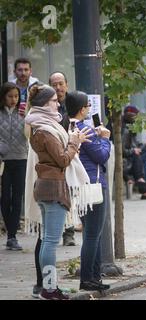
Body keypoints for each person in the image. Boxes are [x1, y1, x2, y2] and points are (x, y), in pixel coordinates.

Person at [24, 84, 93, 299]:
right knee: (51, 242)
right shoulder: (45, 129)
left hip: (46, 186)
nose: (58, 103)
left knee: (47, 240)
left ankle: (49, 287)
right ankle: (49, 288)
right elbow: (62, 159)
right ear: (44, 104)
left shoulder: (41, 125)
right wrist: (74, 142)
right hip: (53, 188)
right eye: (54, 100)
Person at [65, 91, 111, 291]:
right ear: (83, 109)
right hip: (93, 184)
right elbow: (102, 156)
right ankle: (87, 278)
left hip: (77, 185)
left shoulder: (66, 127)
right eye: (87, 107)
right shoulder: (86, 130)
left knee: (92, 233)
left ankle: (94, 277)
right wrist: (106, 139)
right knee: (93, 234)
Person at [49, 71, 77, 246]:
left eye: (61, 84)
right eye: (54, 84)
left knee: (70, 194)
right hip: (52, 154)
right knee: (54, 195)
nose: (58, 88)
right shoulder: (47, 105)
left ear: (66, 84)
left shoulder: (73, 103)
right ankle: (55, 231)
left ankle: (69, 233)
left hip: (70, 153)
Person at [0, 82, 27, 250]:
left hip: (21, 158)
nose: (13, 100)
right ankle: (10, 232)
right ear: (3, 97)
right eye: (10, 96)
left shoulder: (24, 113)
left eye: (16, 96)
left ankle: (12, 235)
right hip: (3, 160)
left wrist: (28, 115)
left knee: (17, 198)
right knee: (4, 197)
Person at [122, 105, 146, 199]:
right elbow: (122, 151)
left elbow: (135, 144)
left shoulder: (130, 129)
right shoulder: (125, 131)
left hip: (133, 156)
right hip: (129, 159)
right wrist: (134, 150)